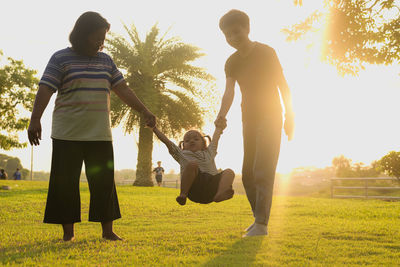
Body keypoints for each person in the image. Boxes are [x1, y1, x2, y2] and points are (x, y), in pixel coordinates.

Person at [27, 11, 156, 242]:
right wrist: (35, 119)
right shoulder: (60, 58)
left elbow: (123, 89)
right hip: (68, 134)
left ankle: (108, 232)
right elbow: (45, 88)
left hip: (99, 135)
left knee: (104, 183)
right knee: (65, 184)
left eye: (103, 38)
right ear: (82, 34)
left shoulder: (106, 60)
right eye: (96, 37)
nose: (101, 42)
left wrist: (144, 110)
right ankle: (68, 234)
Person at [216, 10, 295, 237]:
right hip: (248, 118)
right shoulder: (231, 62)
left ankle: (262, 224)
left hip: (271, 115)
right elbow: (229, 92)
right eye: (227, 35)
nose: (232, 37)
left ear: (247, 29)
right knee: (248, 172)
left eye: (236, 32)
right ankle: (258, 219)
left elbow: (283, 85)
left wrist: (291, 117)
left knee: (263, 168)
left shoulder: (266, 52)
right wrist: (221, 116)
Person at [152, 119, 235, 205]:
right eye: (187, 141)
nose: (191, 141)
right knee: (192, 164)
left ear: (203, 143)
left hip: (212, 190)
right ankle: (183, 195)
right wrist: (154, 128)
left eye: (196, 139)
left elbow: (215, 138)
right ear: (183, 146)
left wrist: (219, 128)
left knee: (229, 172)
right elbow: (167, 141)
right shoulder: (182, 154)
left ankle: (220, 193)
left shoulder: (209, 152)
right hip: (194, 189)